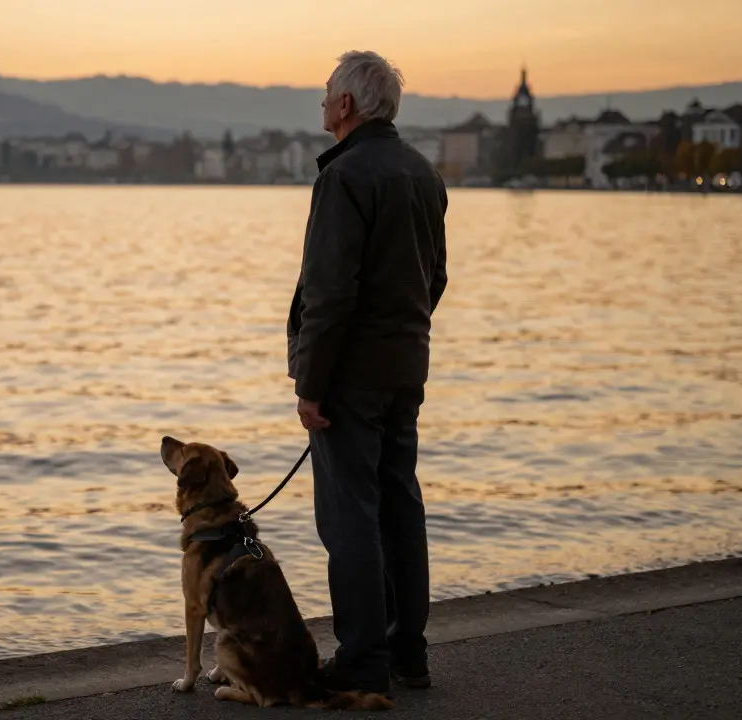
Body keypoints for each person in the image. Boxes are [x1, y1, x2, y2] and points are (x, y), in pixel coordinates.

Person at [286, 50, 448, 695]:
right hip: (405, 368)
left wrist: (311, 385)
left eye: (326, 94)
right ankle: (408, 653)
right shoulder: (422, 173)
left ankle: (361, 664)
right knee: (400, 506)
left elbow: (329, 294)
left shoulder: (344, 177)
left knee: (349, 516)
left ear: (347, 105)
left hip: (350, 376)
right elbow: (434, 278)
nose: (322, 103)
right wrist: (402, 335)